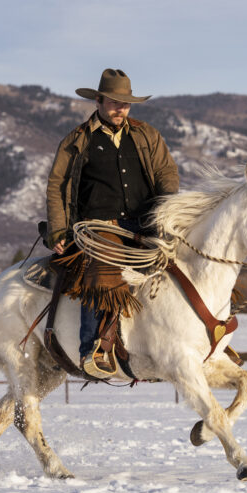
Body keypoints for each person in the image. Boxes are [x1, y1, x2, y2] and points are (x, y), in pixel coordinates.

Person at [45, 68, 179, 379]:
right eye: (115, 102)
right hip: (99, 226)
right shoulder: (77, 140)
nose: (121, 108)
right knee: (103, 270)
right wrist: (58, 229)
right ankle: (92, 348)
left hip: (146, 223)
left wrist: (168, 212)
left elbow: (166, 174)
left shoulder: (147, 135)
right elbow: (57, 185)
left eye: (126, 103)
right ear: (99, 101)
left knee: (187, 261)